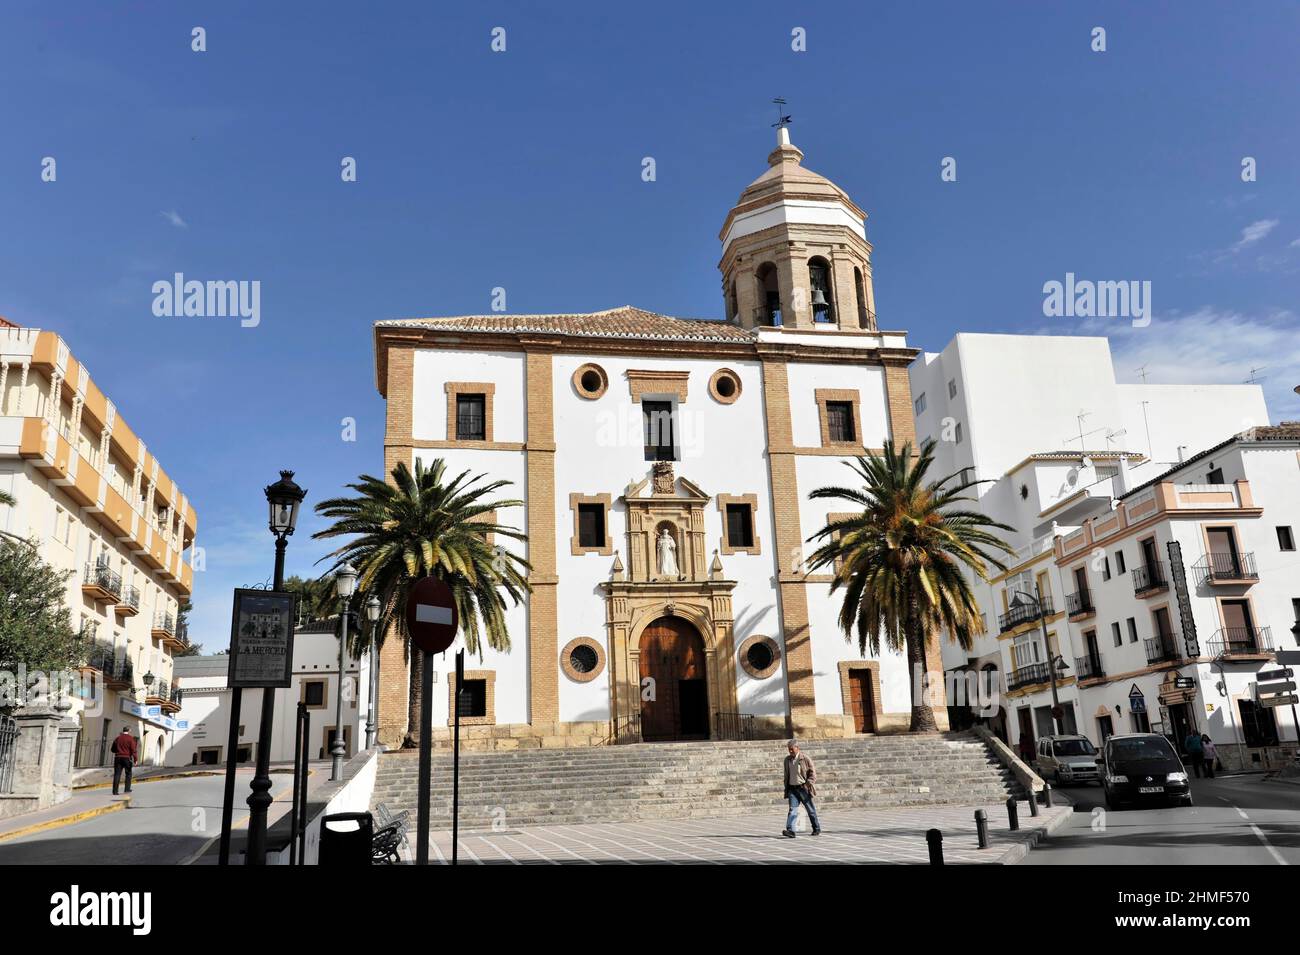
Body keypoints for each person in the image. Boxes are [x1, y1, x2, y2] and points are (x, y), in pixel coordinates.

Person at [782, 740, 820, 837]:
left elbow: (813, 774)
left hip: (803, 788)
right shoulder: (787, 760)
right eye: (789, 750)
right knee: (792, 809)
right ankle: (790, 830)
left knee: (810, 810)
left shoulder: (805, 759)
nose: (790, 752)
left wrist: (808, 784)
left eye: (792, 749)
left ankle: (816, 828)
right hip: (792, 789)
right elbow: (787, 774)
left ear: (797, 748)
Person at [110, 726, 138, 795]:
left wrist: (118, 750)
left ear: (123, 730)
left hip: (118, 758)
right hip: (127, 758)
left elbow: (112, 749)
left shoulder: (117, 738)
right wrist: (135, 759)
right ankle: (127, 789)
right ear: (129, 730)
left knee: (117, 774)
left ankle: (115, 791)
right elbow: (133, 750)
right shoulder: (131, 739)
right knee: (128, 773)